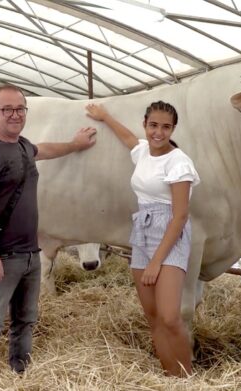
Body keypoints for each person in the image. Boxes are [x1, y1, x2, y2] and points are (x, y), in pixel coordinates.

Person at [0, 84, 97, 376]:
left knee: (25, 320)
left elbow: (44, 149)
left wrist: (75, 144)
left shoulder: (22, 145)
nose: (15, 115)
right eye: (7, 109)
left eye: (20, 109)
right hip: (1, 255)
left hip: (29, 254)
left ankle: (20, 374)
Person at [85, 100, 199, 377]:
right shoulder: (144, 152)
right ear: (145, 125)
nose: (158, 133)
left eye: (165, 127)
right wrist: (105, 116)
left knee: (170, 316)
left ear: (173, 129)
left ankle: (188, 379)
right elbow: (127, 138)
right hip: (142, 230)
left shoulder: (179, 162)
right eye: (153, 125)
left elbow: (181, 216)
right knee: (153, 316)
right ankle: (170, 376)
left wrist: (156, 262)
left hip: (170, 232)